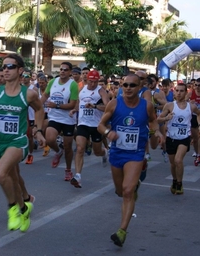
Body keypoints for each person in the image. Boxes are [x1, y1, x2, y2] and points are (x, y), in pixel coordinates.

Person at [0, 54, 46, 232]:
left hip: (18, 141)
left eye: (10, 66)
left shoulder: (29, 94)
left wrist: (38, 130)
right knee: (13, 178)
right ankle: (25, 206)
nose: (5, 70)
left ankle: (13, 209)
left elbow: (40, 110)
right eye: (3, 67)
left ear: (20, 70)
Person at [97, 74, 163, 247]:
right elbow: (101, 125)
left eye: (132, 85)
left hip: (136, 153)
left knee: (127, 191)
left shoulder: (146, 106)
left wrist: (156, 132)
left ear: (139, 86)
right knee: (120, 191)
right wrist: (107, 133)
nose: (127, 88)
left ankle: (122, 231)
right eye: (124, 85)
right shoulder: (114, 103)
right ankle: (133, 188)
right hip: (117, 153)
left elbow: (154, 122)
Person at [69, 70, 110, 188]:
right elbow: (79, 103)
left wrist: (95, 106)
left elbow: (108, 108)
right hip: (83, 123)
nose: (92, 84)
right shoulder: (82, 89)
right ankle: (77, 176)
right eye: (90, 81)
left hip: (96, 125)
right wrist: (74, 110)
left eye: (94, 82)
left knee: (97, 151)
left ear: (98, 81)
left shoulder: (101, 92)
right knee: (80, 148)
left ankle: (104, 152)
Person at [158, 83, 200, 194]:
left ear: (186, 92)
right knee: (173, 164)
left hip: (184, 138)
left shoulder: (191, 106)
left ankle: (180, 184)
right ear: (174, 92)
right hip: (171, 138)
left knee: (178, 160)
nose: (179, 93)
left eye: (181, 91)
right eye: (177, 90)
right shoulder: (170, 106)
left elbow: (199, 114)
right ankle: (175, 180)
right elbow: (158, 119)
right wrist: (166, 118)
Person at [40, 62, 78, 181]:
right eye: (61, 69)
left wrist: (56, 105)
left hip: (68, 120)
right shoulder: (52, 82)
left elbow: (72, 104)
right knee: (50, 139)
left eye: (65, 70)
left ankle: (68, 170)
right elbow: (45, 96)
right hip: (55, 117)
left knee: (68, 147)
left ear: (70, 72)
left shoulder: (73, 85)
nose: (62, 71)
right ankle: (58, 151)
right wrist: (36, 106)